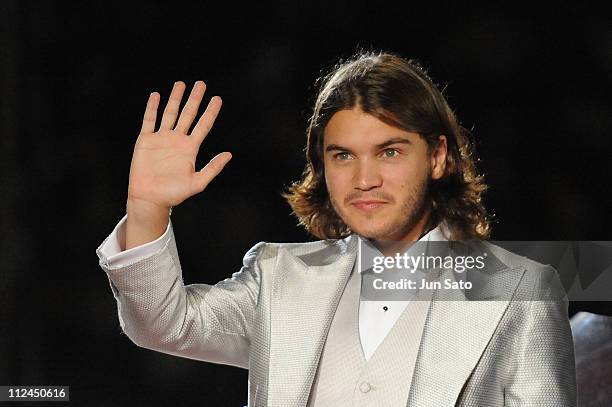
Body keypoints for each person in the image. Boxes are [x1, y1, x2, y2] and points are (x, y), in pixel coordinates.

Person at [96, 51, 577, 406]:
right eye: (343, 156)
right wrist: (147, 208)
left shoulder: (522, 292)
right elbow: (163, 324)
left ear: (437, 157)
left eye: (390, 152)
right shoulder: (279, 277)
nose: (364, 179)